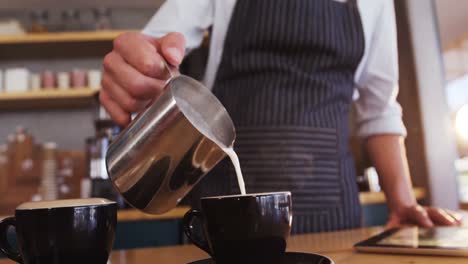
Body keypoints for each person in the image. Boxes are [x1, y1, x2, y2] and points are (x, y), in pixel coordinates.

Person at [100, 0, 462, 233]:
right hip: (226, 225)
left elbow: (379, 108)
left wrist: (402, 203)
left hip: (334, 217)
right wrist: (139, 67)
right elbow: (155, 47)